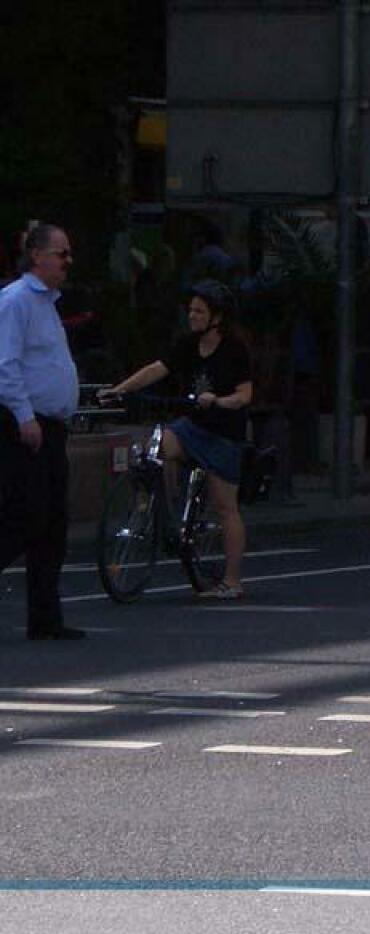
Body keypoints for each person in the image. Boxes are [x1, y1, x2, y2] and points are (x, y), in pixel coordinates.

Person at [100, 280, 253, 599]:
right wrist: (121, 389)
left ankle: (232, 581)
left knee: (226, 508)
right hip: (192, 427)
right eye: (191, 310)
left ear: (217, 317)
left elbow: (245, 394)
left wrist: (221, 401)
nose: (192, 316)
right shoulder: (187, 344)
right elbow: (158, 369)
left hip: (223, 434)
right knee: (156, 448)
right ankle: (163, 511)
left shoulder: (234, 350)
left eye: (199, 311)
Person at [0, 223, 84, 642]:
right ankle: (44, 616)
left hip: (51, 426)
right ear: (37, 255)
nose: (68, 261)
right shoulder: (16, 301)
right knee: (22, 518)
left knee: (52, 524)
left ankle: (45, 618)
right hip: (26, 426)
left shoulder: (47, 304)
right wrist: (23, 415)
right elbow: (6, 363)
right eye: (61, 253)